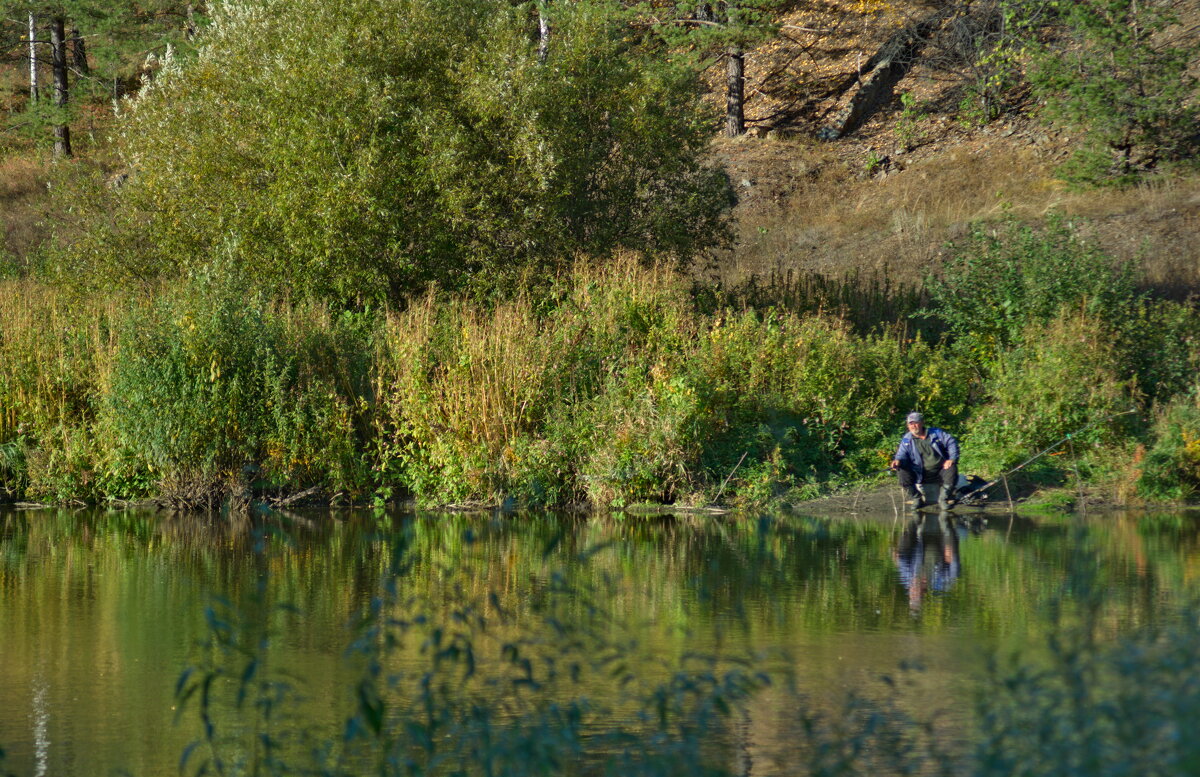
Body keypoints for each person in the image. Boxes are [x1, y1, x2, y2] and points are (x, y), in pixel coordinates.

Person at [890, 411, 959, 509]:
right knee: (901, 470)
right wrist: (897, 461)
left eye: (916, 423)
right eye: (910, 424)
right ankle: (916, 498)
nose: (913, 426)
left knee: (952, 467)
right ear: (908, 426)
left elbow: (951, 442)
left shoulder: (936, 433)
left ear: (922, 423)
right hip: (919, 473)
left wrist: (952, 458)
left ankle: (943, 499)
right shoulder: (907, 439)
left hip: (941, 470)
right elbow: (901, 454)